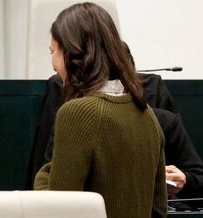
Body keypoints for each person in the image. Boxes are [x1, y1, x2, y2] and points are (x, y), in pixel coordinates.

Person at [33, 2, 167, 218]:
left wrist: (43, 176)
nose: (52, 64)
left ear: (71, 52)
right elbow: (159, 210)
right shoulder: (147, 113)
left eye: (52, 51)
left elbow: (58, 209)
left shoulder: (77, 113)